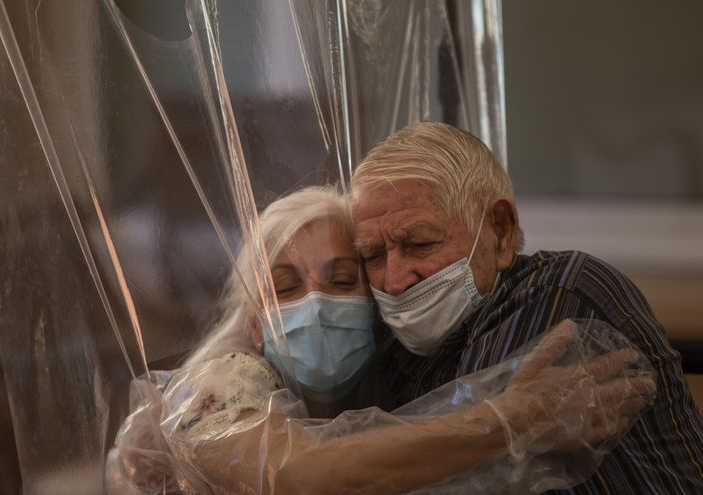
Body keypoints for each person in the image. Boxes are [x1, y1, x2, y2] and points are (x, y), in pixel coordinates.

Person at [107, 186, 654, 495]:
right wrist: (510, 420)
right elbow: (294, 474)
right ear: (254, 323)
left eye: (343, 281)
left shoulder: (384, 395)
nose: (316, 304)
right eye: (285, 288)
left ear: (375, 308)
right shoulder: (224, 381)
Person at [351, 121, 703, 494]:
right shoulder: (406, 348)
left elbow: (462, 471)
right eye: (372, 255)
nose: (394, 280)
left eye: (420, 244)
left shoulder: (561, 293)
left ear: (500, 232)